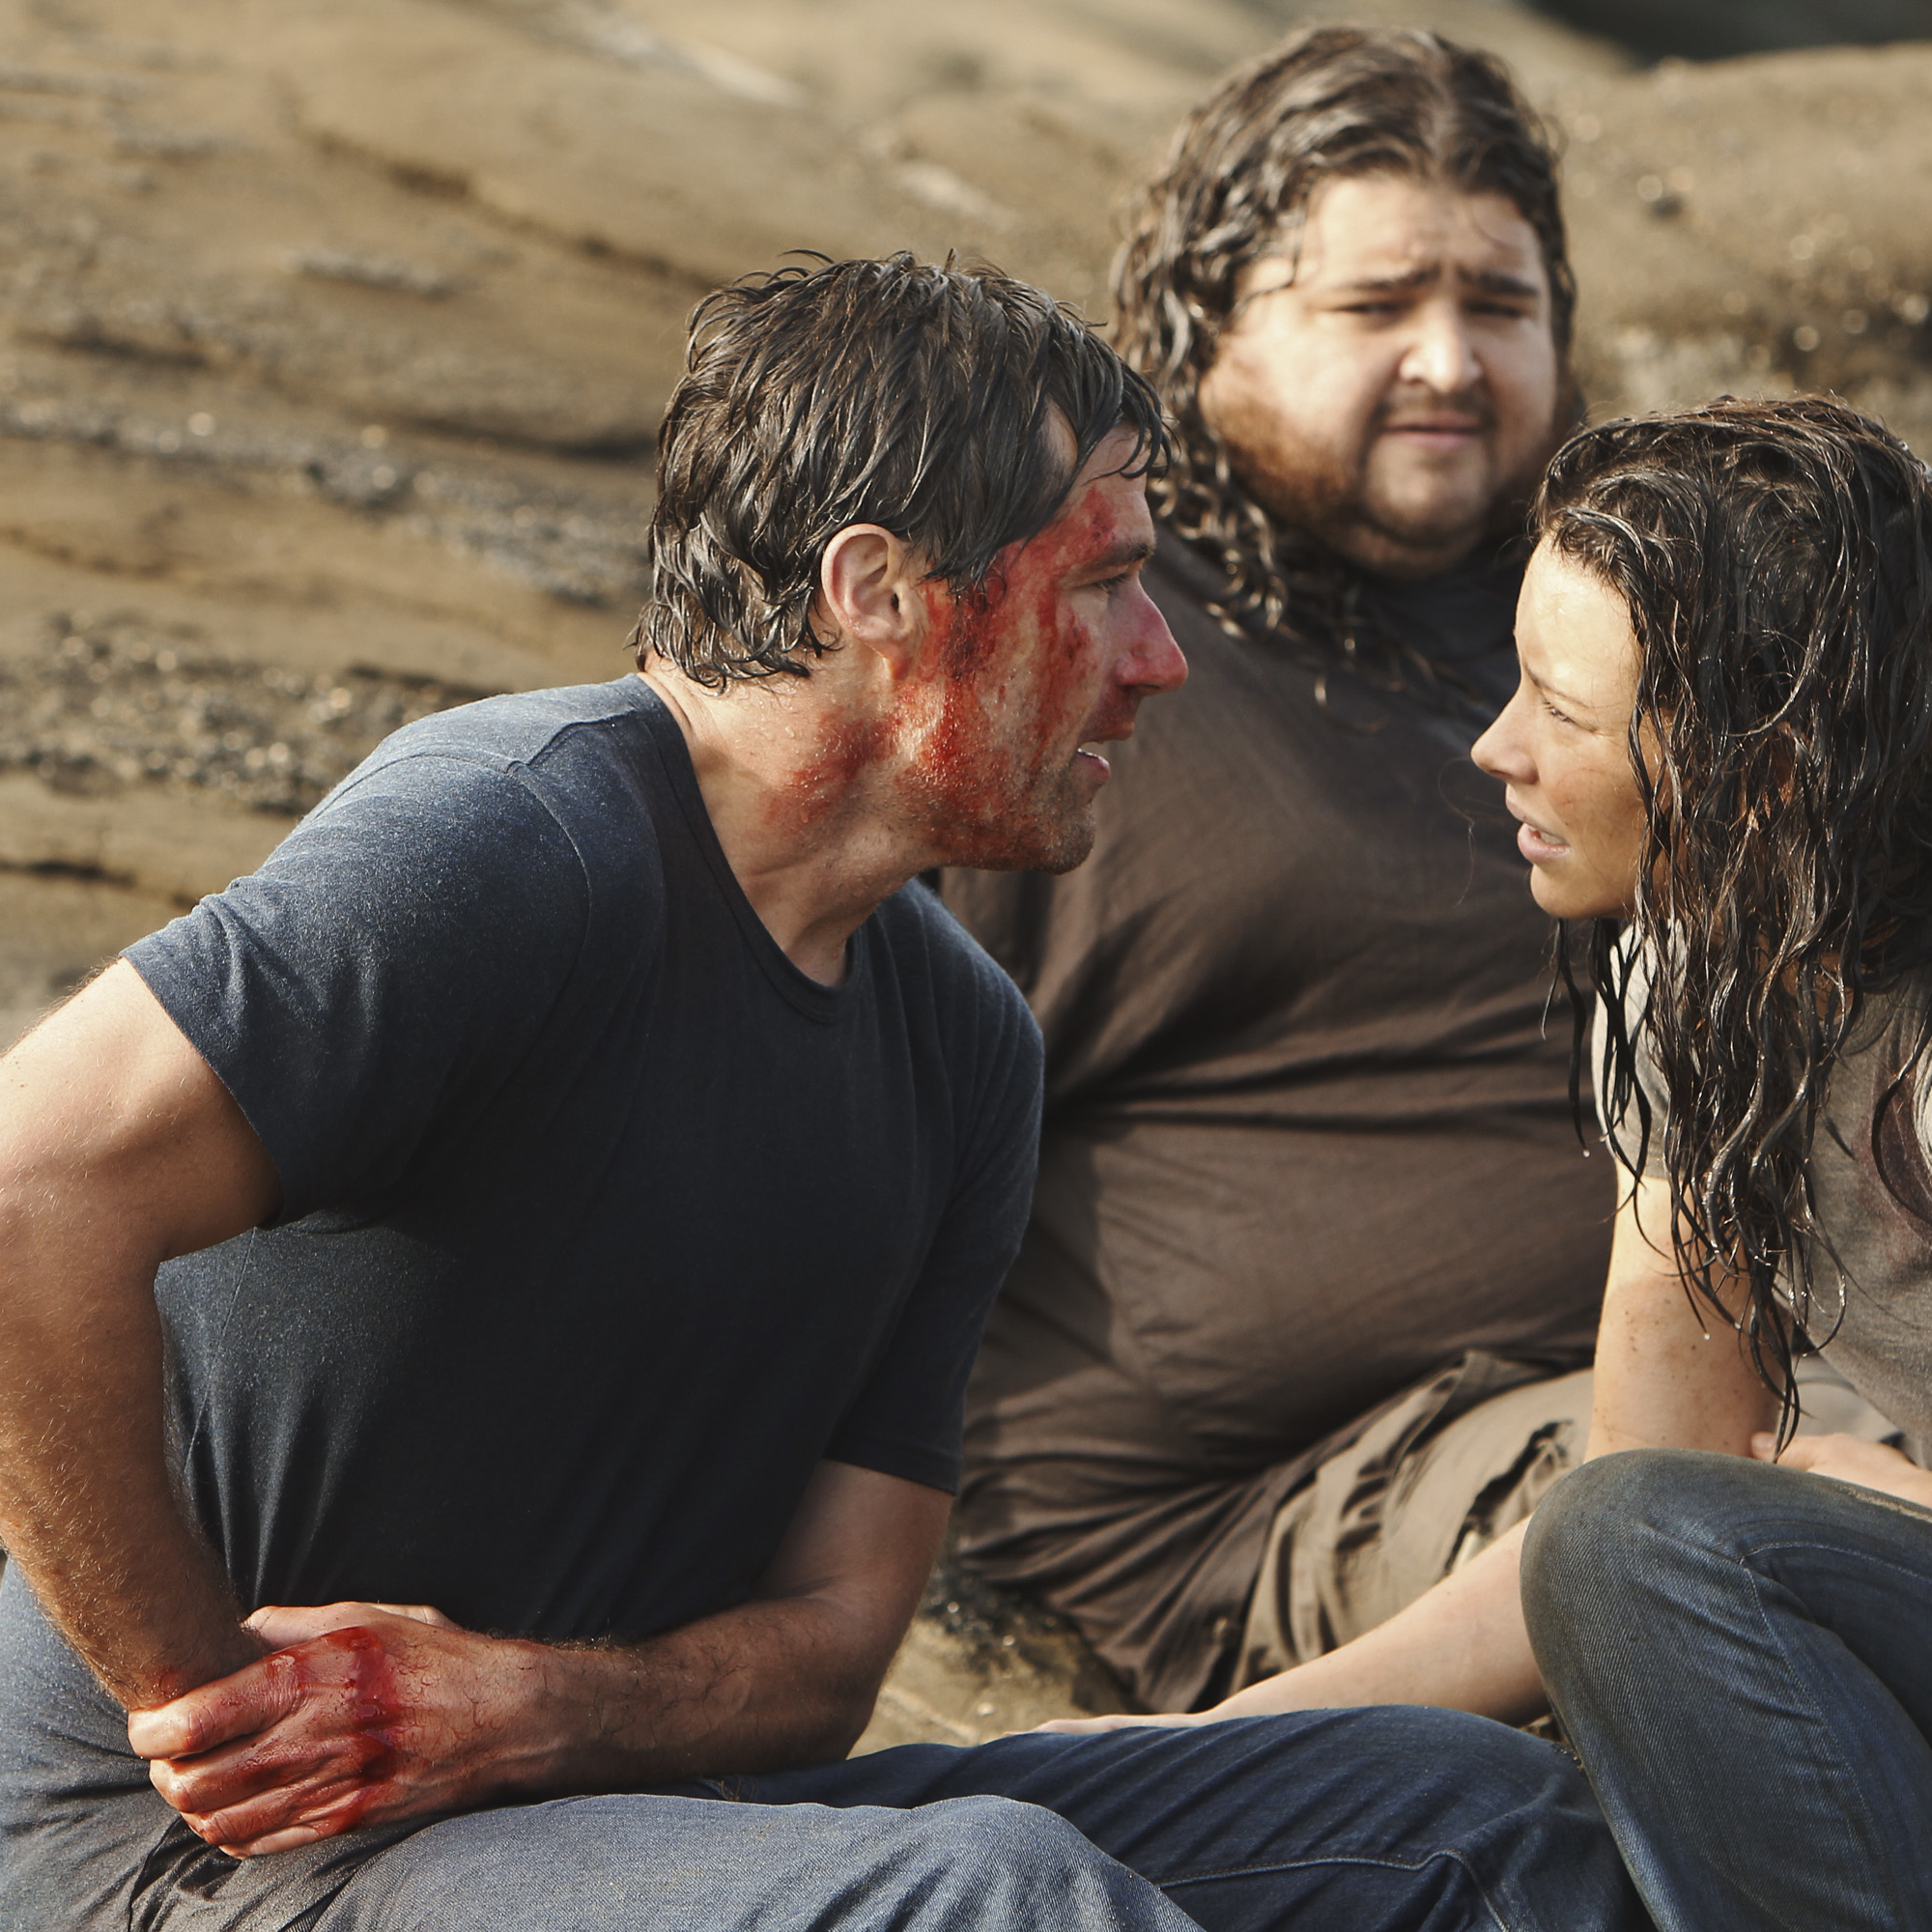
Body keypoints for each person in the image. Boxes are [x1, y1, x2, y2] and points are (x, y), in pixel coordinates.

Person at [0, 253, 1647, 1932]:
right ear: (878, 591)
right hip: (189, 1859)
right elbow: (25, 1190)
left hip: (610, 1820)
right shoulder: (512, 842)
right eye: (1104, 586)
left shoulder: (967, 1049)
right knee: (994, 1900)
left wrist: (524, 1706)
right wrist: (201, 1702)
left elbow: (833, 1651)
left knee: (1476, 1815)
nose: (1160, 660)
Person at [1047, 394, 1932, 1931]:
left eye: (1561, 714)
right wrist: (1186, 1758)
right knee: (1540, 1736)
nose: (1493, 747)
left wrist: (1889, 1500)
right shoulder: (1687, 981)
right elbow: (1628, 1530)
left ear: (1771, 772)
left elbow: (1649, 1542)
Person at [941, 25, 1610, 1717]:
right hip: (1311, 1506)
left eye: (1501, 305)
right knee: (1791, 1531)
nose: (1450, 359)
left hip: (1753, 1364)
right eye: (1376, 306)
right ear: (1204, 327)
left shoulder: (1631, 616)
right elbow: (777, 1098)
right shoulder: (1077, 663)